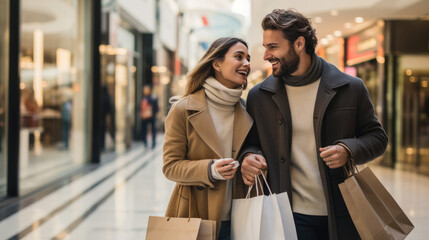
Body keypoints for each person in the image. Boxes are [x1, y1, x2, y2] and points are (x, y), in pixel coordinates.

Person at [238, 9, 388, 240]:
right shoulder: (259, 96)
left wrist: (348, 150)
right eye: (266, 47)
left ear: (299, 44)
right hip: (288, 213)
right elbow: (251, 143)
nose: (266, 55)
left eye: (273, 47)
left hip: (343, 211)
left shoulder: (351, 88)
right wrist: (249, 157)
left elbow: (377, 138)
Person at [163, 37, 252, 240]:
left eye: (248, 58)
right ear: (217, 63)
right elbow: (170, 167)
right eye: (239, 57)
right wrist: (210, 170)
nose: (246, 64)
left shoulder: (248, 109)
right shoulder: (183, 109)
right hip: (196, 216)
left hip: (241, 218)